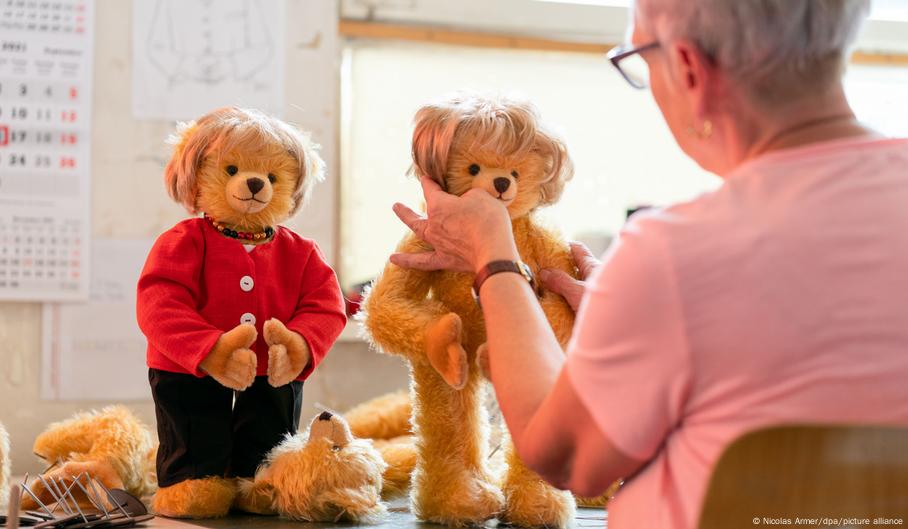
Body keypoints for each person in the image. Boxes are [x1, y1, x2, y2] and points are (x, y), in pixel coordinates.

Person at [389, 1, 908, 528]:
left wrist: (493, 257)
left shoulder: (673, 253)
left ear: (686, 67)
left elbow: (562, 456)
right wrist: (620, 324)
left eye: (639, 57)